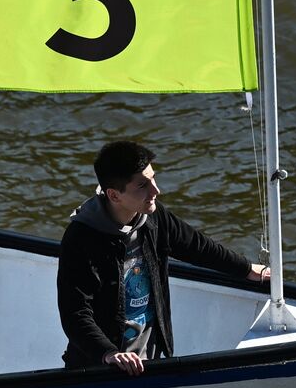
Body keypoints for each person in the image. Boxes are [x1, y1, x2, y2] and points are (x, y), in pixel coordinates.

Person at [57, 141, 269, 375]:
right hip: (100, 368)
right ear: (114, 195)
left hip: (153, 359)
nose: (155, 191)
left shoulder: (154, 217)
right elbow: (75, 313)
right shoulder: (80, 238)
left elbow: (198, 246)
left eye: (153, 179)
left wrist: (247, 268)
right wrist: (109, 353)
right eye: (142, 185)